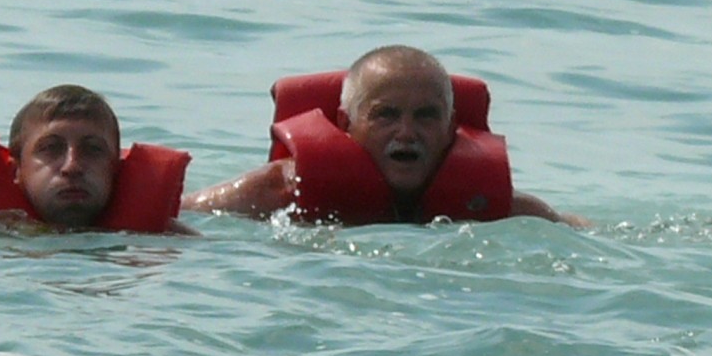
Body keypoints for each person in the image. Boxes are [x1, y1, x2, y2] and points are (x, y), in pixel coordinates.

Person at [181, 45, 588, 228]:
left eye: (426, 116)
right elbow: (179, 214)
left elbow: (587, 234)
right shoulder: (277, 192)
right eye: (386, 115)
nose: (406, 133)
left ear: (451, 128)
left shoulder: (499, 208)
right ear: (345, 123)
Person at [0, 84, 196, 234]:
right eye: (51, 148)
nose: (72, 166)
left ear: (116, 169)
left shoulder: (164, 239)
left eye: (93, 150)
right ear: (16, 170)